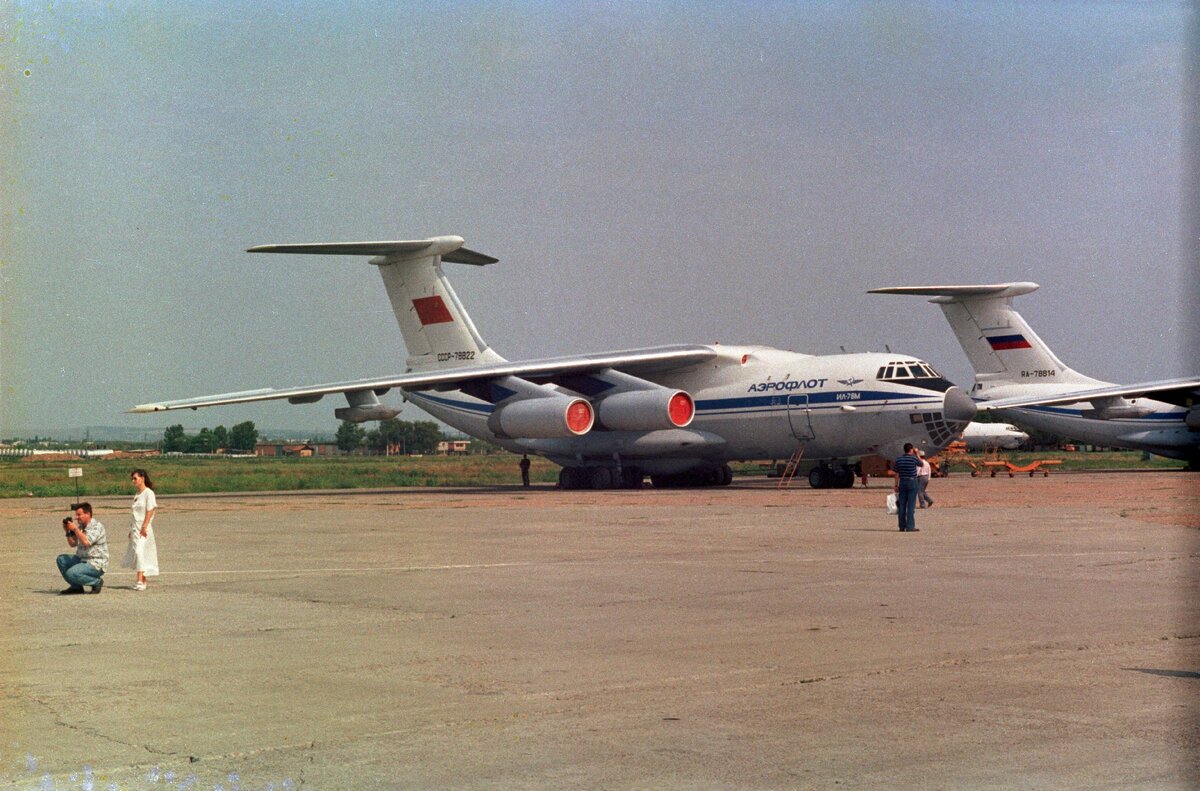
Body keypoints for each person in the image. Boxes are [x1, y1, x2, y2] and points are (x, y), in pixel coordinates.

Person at [56, 502, 108, 594]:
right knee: (61, 559)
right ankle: (76, 587)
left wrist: (75, 529)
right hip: (81, 559)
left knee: (71, 573)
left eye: (79, 514)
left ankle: (96, 582)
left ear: (87, 514)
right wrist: (68, 531)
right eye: (76, 515)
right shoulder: (81, 527)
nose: (76, 517)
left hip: (95, 563)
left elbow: (86, 542)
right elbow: (73, 544)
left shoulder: (96, 527)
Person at [123, 468, 159, 591]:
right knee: (137, 553)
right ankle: (142, 581)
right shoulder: (137, 495)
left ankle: (140, 579)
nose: (133, 481)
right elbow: (134, 514)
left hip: (144, 527)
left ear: (142, 478)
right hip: (135, 527)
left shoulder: (149, 493)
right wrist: (130, 529)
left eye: (135, 478)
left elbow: (150, 510)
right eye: (132, 479)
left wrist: (144, 526)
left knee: (140, 551)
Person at [892, 443, 921, 532]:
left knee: (902, 505)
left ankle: (902, 526)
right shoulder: (913, 458)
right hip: (912, 481)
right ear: (911, 450)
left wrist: (896, 485)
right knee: (911, 505)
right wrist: (917, 454)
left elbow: (896, 473)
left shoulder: (899, 460)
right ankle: (910, 526)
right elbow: (921, 463)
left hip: (903, 481)